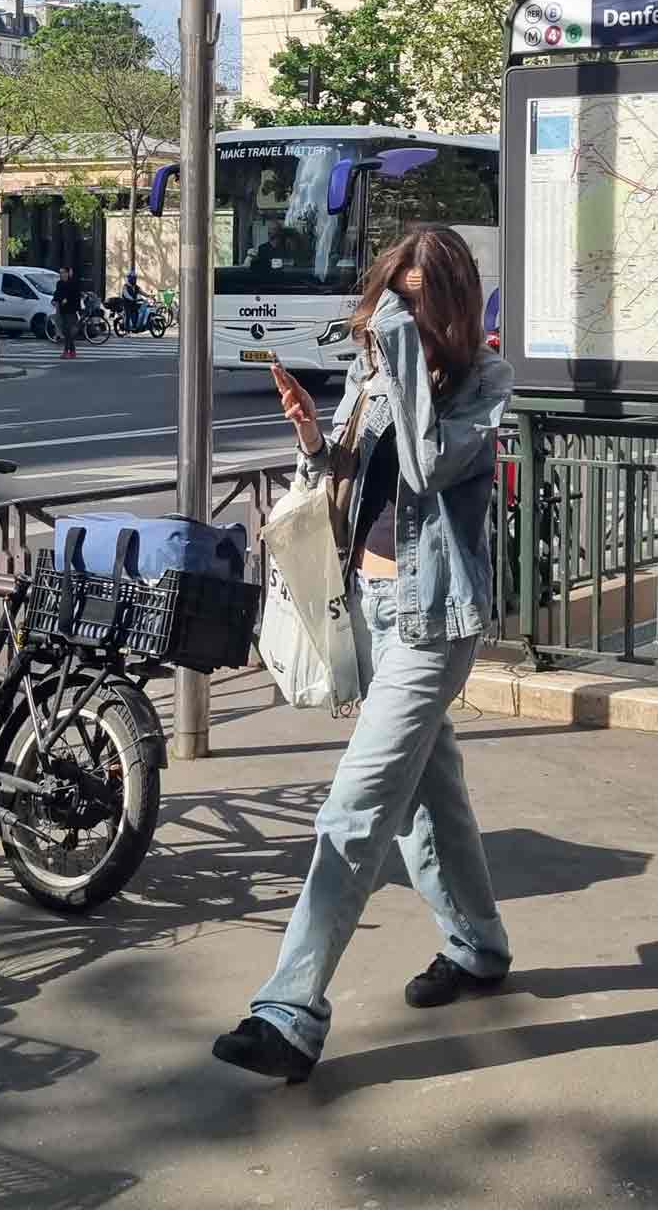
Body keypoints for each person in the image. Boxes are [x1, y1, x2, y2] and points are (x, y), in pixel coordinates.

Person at [214, 225, 514, 1084]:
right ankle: (480, 946)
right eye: (395, 294)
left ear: (450, 303)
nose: (400, 311)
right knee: (430, 803)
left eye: (418, 298)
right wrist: (315, 439)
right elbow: (351, 478)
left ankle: (288, 1012)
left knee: (355, 808)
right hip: (367, 609)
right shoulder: (373, 373)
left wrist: (398, 359)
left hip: (430, 622)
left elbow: (425, 468)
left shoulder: (483, 384)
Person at [53, 265, 81, 360]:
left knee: (68, 330)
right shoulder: (59, 283)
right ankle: (72, 351)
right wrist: (54, 300)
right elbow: (57, 293)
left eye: (64, 272)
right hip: (62, 309)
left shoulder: (73, 283)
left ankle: (66, 351)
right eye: (60, 273)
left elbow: (76, 297)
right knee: (65, 331)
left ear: (68, 273)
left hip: (71, 310)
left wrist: (68, 300)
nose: (62, 274)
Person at [122, 268, 143, 333]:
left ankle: (136, 325)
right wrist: (132, 298)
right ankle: (126, 329)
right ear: (129, 279)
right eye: (133, 278)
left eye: (135, 278)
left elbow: (142, 292)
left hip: (134, 303)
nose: (134, 279)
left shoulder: (136, 287)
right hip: (127, 304)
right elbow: (126, 295)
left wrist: (149, 296)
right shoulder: (125, 286)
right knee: (128, 315)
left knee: (139, 311)